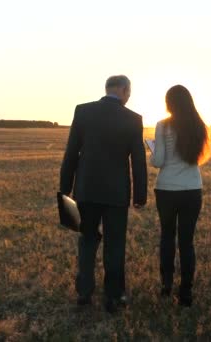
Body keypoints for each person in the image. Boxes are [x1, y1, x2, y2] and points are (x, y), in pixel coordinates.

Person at [60, 75, 147, 314]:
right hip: (117, 194)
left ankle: (84, 293)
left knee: (87, 241)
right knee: (115, 245)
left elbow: (71, 153)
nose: (129, 97)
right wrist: (140, 196)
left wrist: (65, 188)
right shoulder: (133, 119)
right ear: (123, 90)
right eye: (129, 92)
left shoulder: (83, 112)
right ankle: (113, 296)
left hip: (86, 191)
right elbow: (138, 161)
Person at [149, 85, 211, 307]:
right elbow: (198, 158)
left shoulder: (163, 126)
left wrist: (152, 151)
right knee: (187, 241)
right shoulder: (199, 126)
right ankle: (186, 291)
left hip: (166, 189)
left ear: (169, 103)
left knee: (167, 236)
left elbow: (158, 162)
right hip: (192, 189)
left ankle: (166, 285)